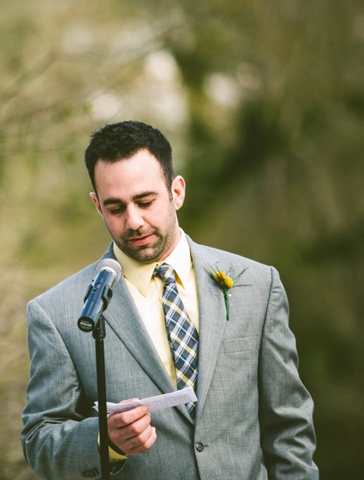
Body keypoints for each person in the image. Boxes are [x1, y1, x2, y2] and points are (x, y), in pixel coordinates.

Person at [20, 121, 318, 479]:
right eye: (116, 208)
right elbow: (40, 440)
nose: (133, 221)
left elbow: (289, 429)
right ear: (97, 206)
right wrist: (104, 440)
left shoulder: (257, 285)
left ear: (176, 192)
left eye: (145, 201)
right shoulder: (57, 313)